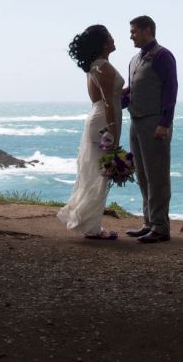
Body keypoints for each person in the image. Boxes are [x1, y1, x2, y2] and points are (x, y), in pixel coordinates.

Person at [56, 24, 125, 240]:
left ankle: (89, 221)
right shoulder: (102, 66)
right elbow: (107, 102)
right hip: (104, 121)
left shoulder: (96, 66)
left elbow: (110, 97)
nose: (114, 39)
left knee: (97, 171)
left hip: (100, 118)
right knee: (100, 173)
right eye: (109, 37)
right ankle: (92, 227)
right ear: (103, 43)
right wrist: (112, 131)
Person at [120, 15, 178, 243]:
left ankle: (161, 227)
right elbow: (133, 91)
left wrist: (164, 123)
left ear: (148, 30)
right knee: (142, 175)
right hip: (136, 121)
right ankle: (148, 222)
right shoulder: (135, 59)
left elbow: (170, 90)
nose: (131, 35)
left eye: (134, 31)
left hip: (155, 122)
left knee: (157, 175)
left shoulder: (163, 56)